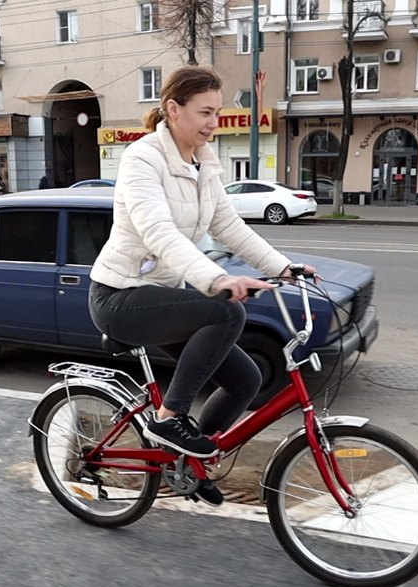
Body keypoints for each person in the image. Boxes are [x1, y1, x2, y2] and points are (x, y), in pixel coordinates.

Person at [88, 66, 316, 507]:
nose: (213, 122)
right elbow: (158, 231)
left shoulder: (204, 163)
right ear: (173, 110)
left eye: (217, 112)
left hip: (161, 297)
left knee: (245, 378)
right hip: (119, 296)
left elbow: (229, 226)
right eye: (205, 112)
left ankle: (187, 463)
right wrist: (216, 279)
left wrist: (285, 268)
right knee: (226, 310)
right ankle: (168, 419)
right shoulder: (142, 159)